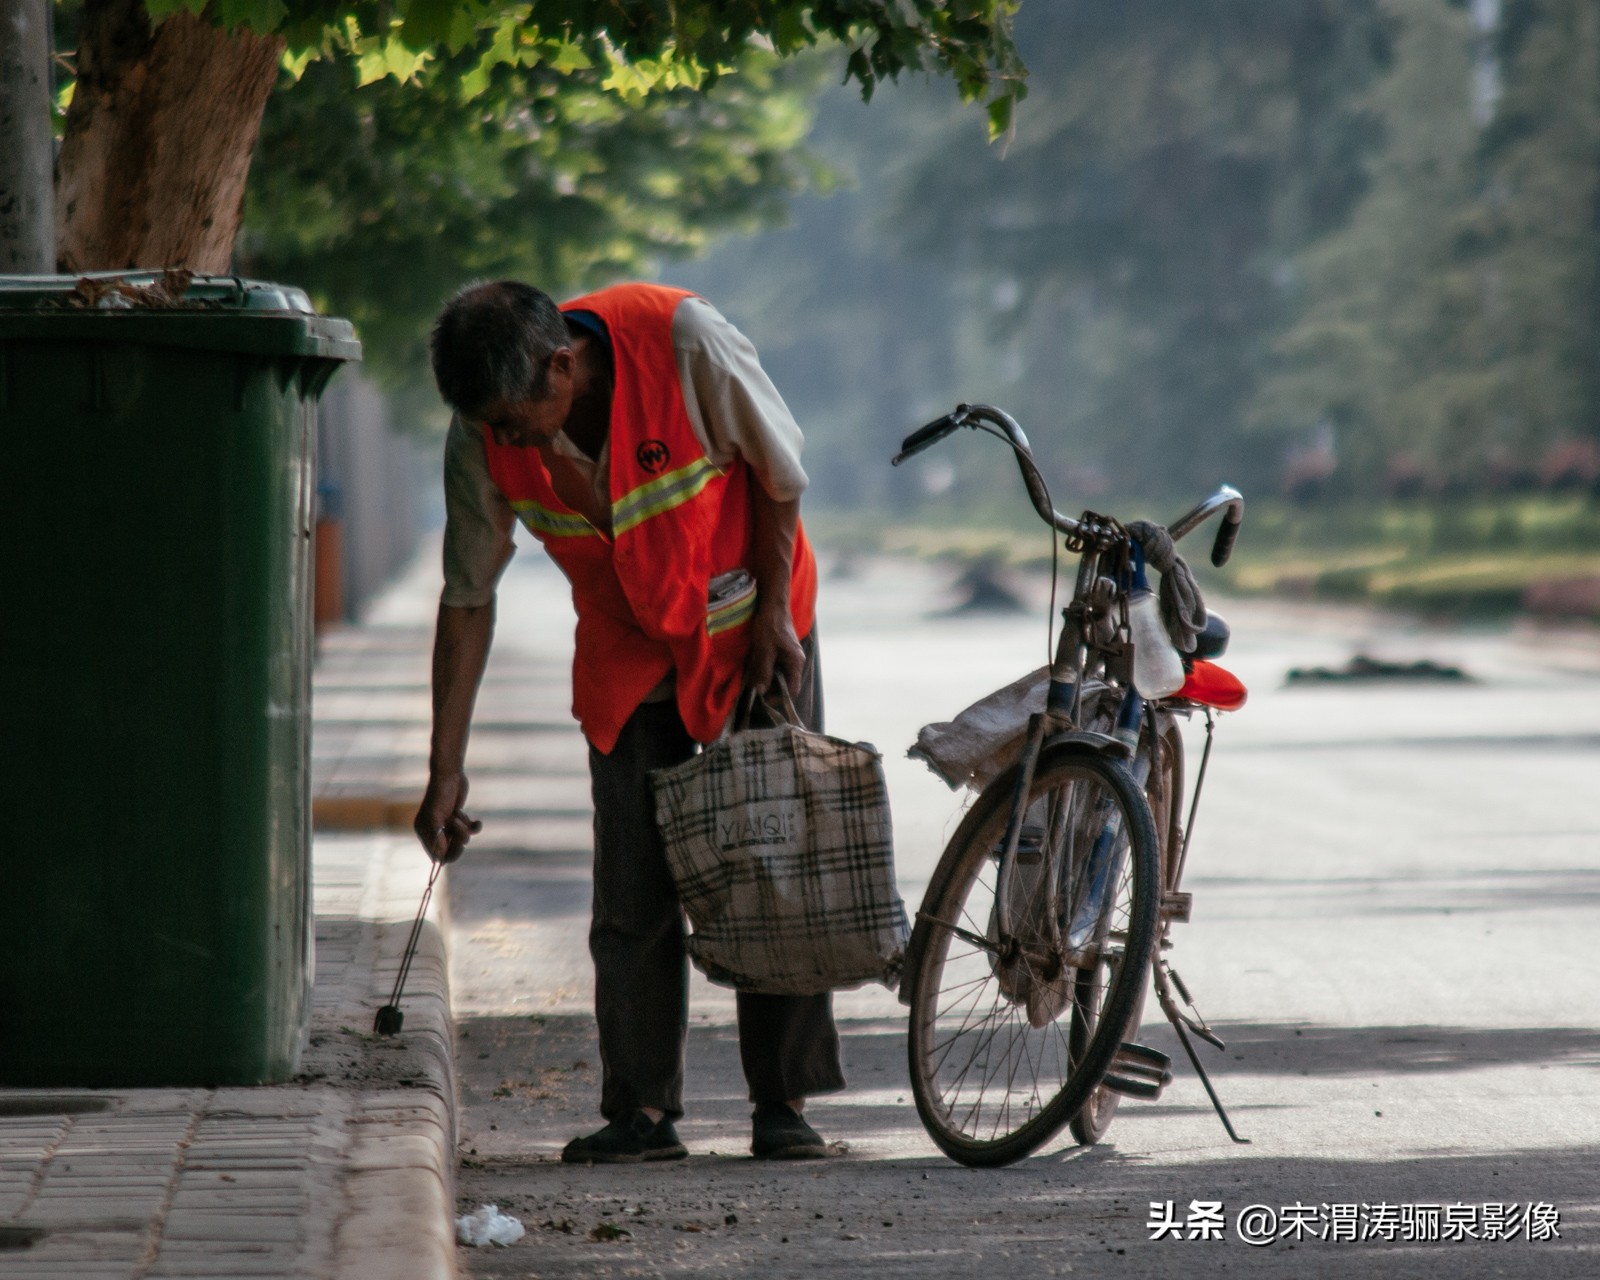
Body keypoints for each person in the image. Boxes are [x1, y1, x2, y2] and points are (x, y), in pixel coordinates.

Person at [415, 280, 845, 1163]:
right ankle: (642, 1113)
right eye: (488, 425)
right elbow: (467, 597)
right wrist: (445, 769)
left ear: (560, 364)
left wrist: (772, 616)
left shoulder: (685, 342)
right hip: (627, 647)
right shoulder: (482, 434)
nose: (506, 440)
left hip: (749, 628)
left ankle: (783, 1103)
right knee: (631, 890)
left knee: (775, 865)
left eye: (513, 419)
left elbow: (779, 473)